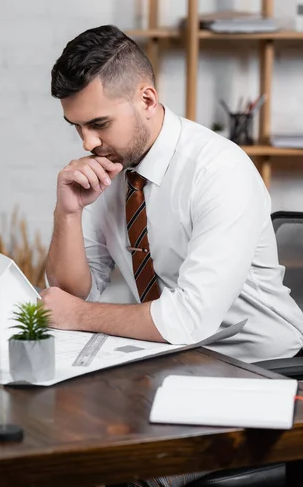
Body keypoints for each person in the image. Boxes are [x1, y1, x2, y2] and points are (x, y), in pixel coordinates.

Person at [41, 24, 303, 487]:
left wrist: (78, 313)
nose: (86, 143)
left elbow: (186, 320)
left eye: (98, 124)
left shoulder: (219, 172)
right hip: (171, 365)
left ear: (146, 99)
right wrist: (68, 214)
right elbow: (67, 294)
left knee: (115, 468)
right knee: (56, 443)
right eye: (76, 127)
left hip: (255, 372)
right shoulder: (109, 168)